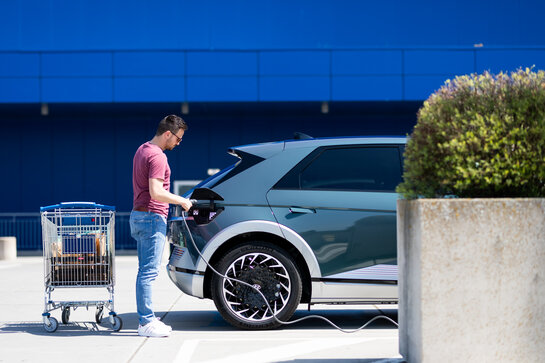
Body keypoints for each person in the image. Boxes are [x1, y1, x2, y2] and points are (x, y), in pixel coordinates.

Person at [130, 114, 193, 337]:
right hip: (151, 217)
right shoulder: (158, 157)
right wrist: (183, 201)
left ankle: (146, 318)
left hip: (139, 215)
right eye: (178, 138)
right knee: (148, 272)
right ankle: (146, 323)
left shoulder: (142, 149)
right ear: (168, 133)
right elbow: (157, 192)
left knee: (144, 271)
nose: (178, 142)